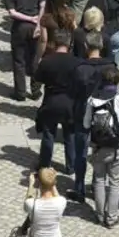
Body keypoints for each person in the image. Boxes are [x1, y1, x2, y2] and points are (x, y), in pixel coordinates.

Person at [83, 64, 119, 228]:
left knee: (99, 180)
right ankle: (111, 217)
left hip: (99, 147)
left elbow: (86, 124)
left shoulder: (92, 100)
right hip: (117, 147)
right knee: (114, 183)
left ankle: (99, 215)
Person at [33, 29, 83, 182]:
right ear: (69, 44)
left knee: (49, 134)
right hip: (70, 103)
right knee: (70, 135)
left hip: (51, 101)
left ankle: (45, 164)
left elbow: (37, 78)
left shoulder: (47, 61)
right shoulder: (77, 63)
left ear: (54, 43)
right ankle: (71, 166)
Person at [3, 0, 45, 101]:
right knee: (34, 58)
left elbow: (12, 13)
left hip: (20, 27)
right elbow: (42, 5)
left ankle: (20, 92)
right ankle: (36, 90)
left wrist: (28, 18)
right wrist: (37, 21)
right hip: (35, 26)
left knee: (19, 60)